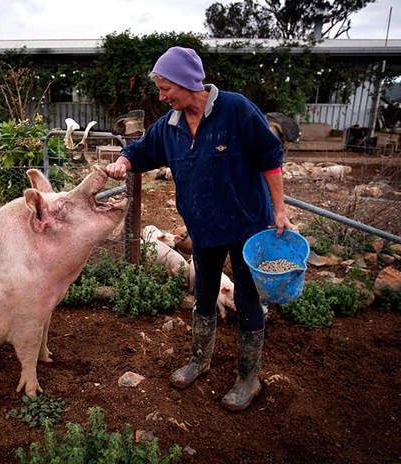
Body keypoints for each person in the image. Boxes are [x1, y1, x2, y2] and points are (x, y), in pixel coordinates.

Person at [106, 46, 292, 411]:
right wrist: (124, 160)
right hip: (203, 229)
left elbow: (270, 157)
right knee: (204, 294)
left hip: (246, 225)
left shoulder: (235, 110)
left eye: (165, 88)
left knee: (246, 298)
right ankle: (200, 360)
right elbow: (143, 149)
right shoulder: (170, 125)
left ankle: (248, 378)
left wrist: (280, 211)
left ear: (187, 83)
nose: (161, 96)